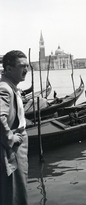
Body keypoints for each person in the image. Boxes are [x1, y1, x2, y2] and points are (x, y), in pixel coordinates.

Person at [0, 50, 29, 205]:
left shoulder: (10, 86)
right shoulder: (5, 88)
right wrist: (11, 138)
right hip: (12, 147)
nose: (25, 69)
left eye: (27, 66)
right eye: (21, 66)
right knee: (14, 192)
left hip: (16, 145)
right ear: (9, 68)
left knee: (16, 189)